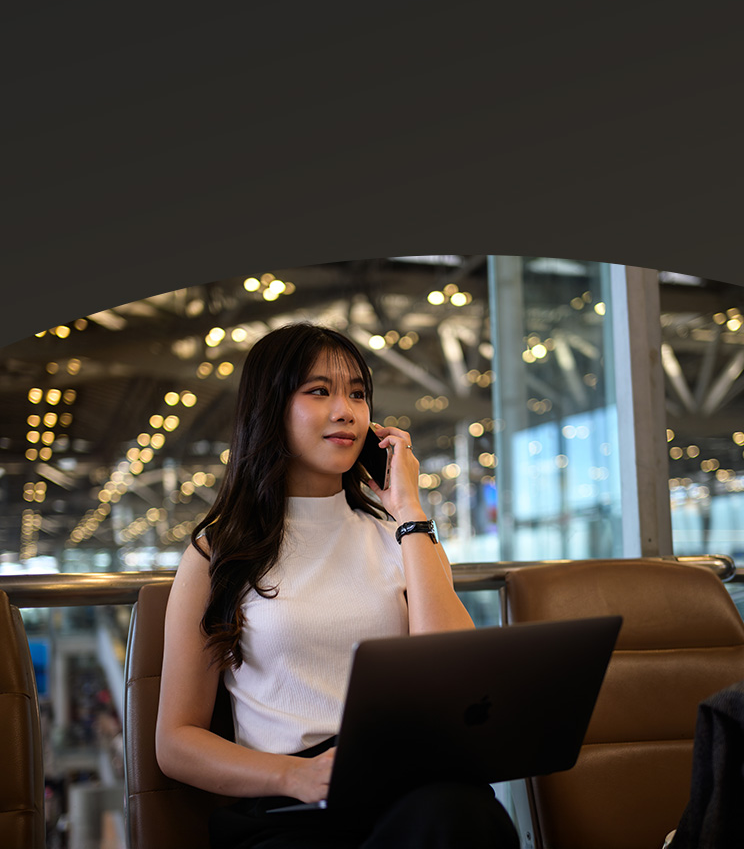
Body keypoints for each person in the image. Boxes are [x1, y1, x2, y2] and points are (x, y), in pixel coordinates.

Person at [156, 322, 520, 848]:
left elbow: (457, 671)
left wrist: (409, 512)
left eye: (358, 393)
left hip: (409, 788)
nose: (346, 410)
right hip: (292, 805)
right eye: (319, 391)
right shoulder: (218, 554)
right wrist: (291, 776)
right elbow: (175, 742)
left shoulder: (401, 536)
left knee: (459, 814)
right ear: (271, 408)